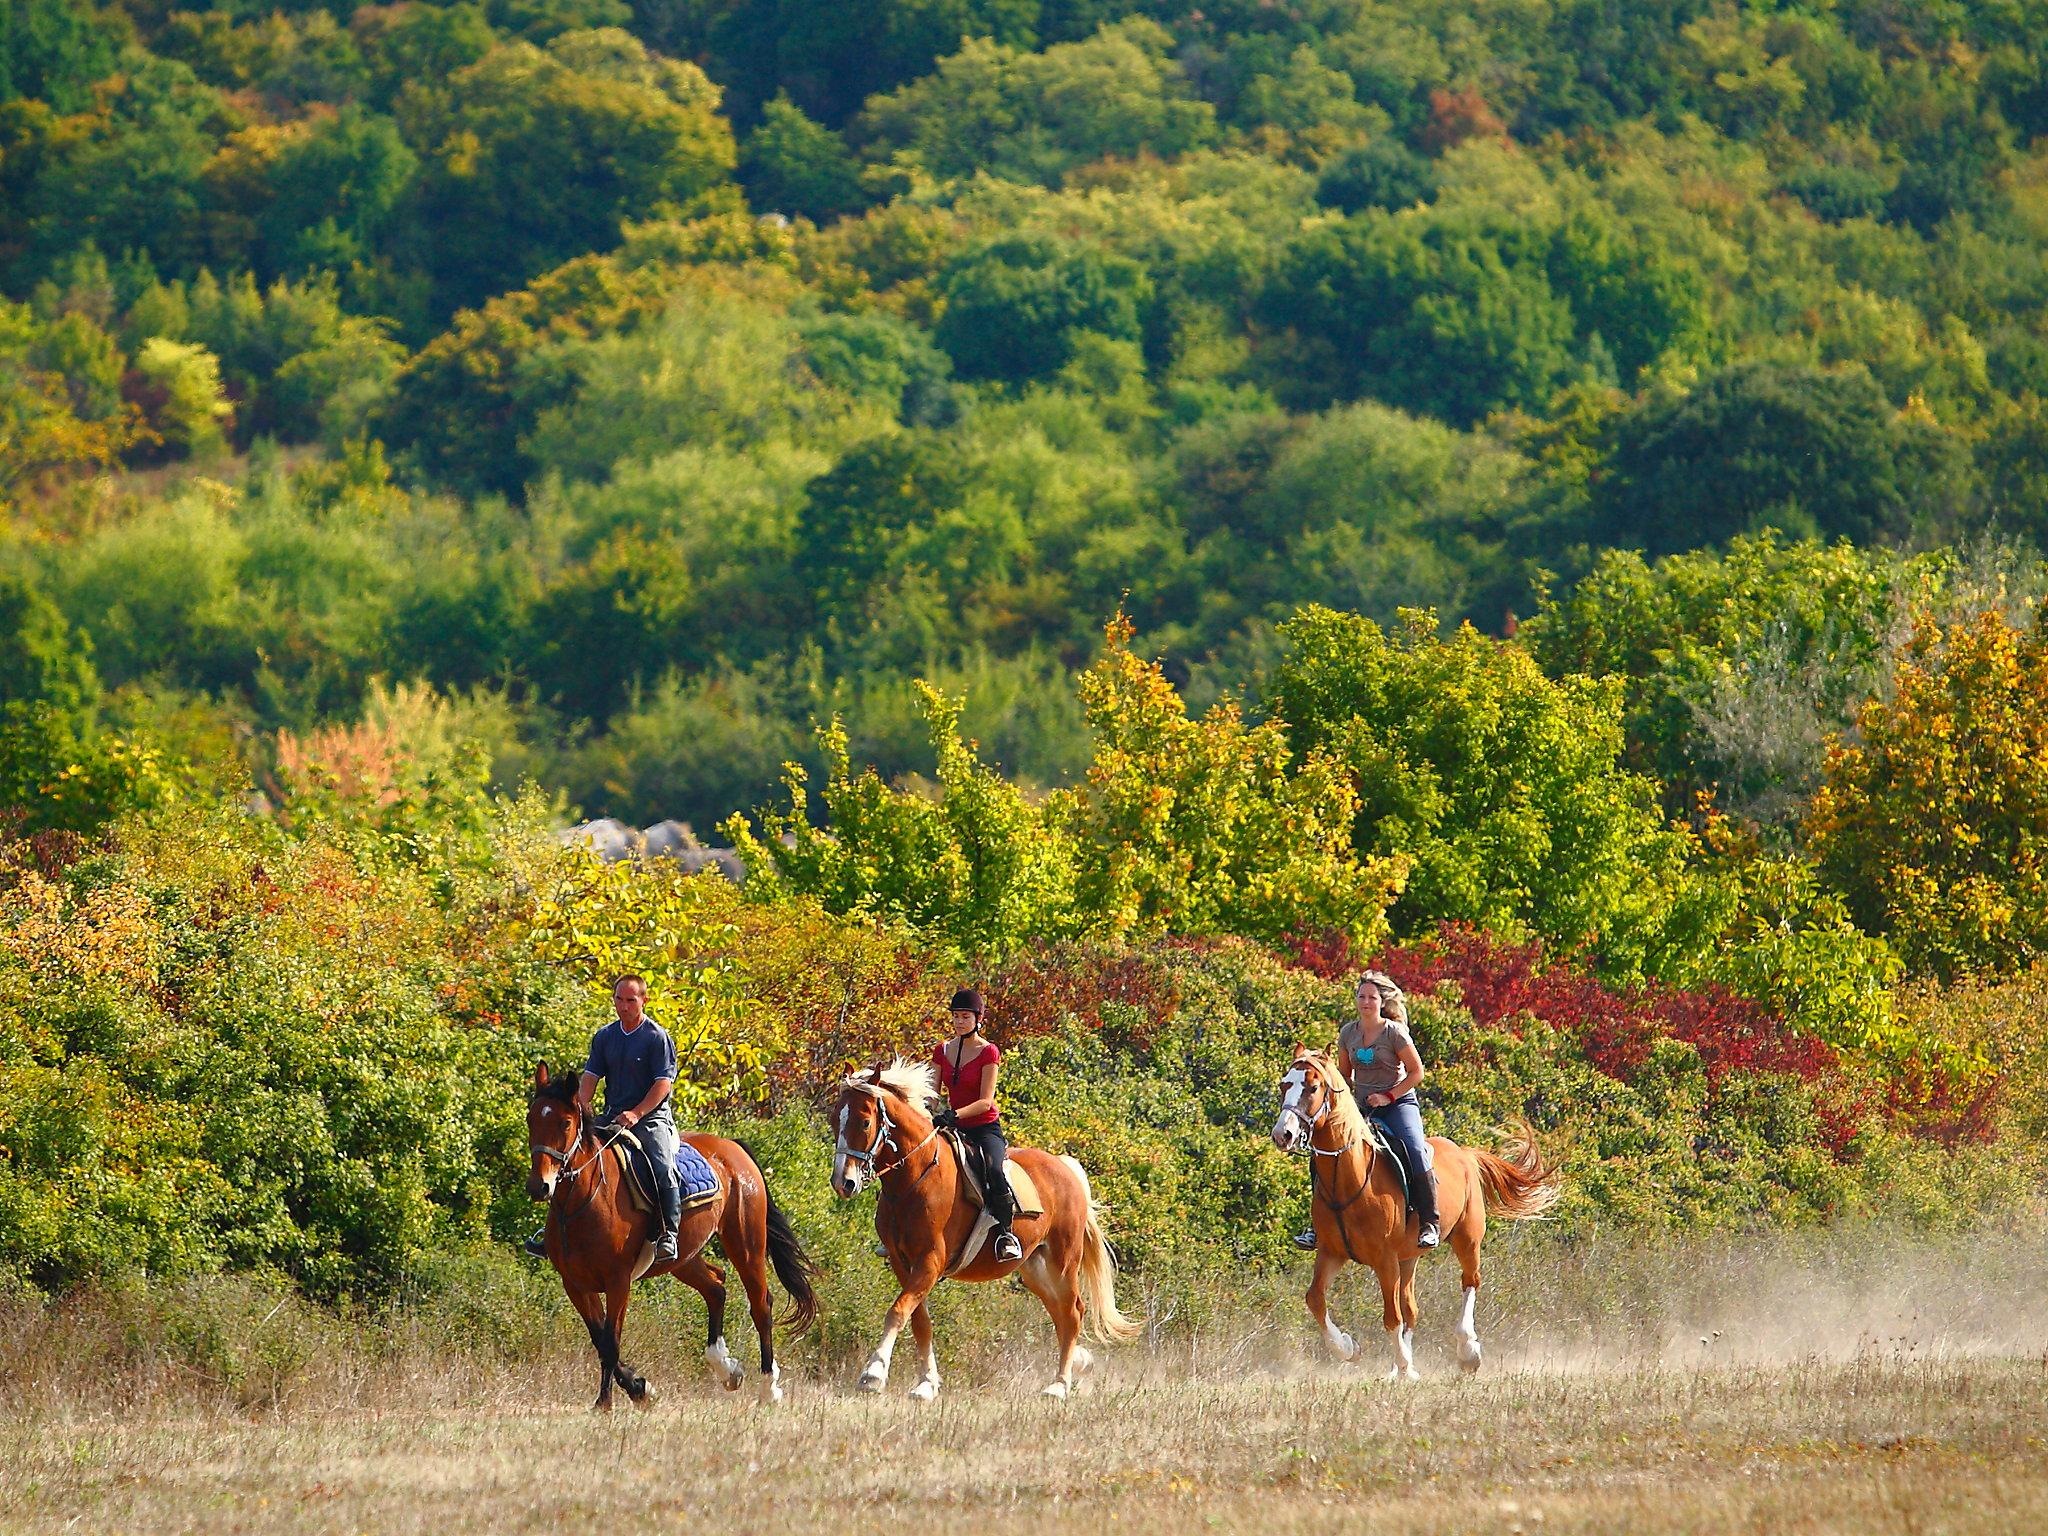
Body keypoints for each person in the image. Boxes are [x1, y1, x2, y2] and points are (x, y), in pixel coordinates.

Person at [524, 974, 683, 1263]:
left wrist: (637, 1113)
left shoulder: (656, 1037)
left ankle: (668, 1233)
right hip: (611, 1115)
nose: (623, 1006)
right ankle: (553, 1235)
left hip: (651, 1118)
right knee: (573, 1159)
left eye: (630, 1000)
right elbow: (590, 1078)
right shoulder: (605, 1036)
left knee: (661, 1165)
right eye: (619, 1000)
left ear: (644, 1000)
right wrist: (579, 1109)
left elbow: (663, 1084)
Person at [1292, 970, 1440, 1252]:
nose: (1365, 1002)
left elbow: (1416, 1072)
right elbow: (1345, 1077)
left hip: (1398, 1103)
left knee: (1415, 1148)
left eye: (1371, 997)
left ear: (1381, 1001)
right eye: (1361, 996)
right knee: (1322, 1151)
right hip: (1361, 1105)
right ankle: (1316, 1226)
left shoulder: (1394, 1032)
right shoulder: (1348, 1033)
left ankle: (1429, 1222)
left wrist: (1388, 1096)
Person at [930, 987, 1023, 1264]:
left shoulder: (989, 1052)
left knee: (994, 1170)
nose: (959, 1022)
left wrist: (953, 1114)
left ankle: (1006, 1234)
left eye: (965, 1017)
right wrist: (925, 1110)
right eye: (956, 1016)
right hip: (952, 1126)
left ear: (978, 1019)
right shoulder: (942, 1050)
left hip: (983, 1128)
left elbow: (985, 1102)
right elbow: (932, 1093)